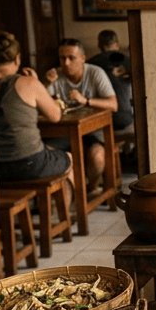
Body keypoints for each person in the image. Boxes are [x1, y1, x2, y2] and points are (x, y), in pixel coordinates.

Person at [0, 31, 70, 183]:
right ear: (17, 58)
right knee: (68, 158)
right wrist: (37, 84)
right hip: (29, 163)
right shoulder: (28, 83)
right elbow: (55, 116)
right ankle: (62, 207)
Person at [45, 38, 118, 194]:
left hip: (93, 129)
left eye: (72, 58)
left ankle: (90, 188)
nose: (66, 63)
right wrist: (45, 84)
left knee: (97, 156)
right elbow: (40, 105)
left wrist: (86, 101)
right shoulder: (54, 75)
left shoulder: (95, 72)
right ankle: (65, 194)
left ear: (83, 59)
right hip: (65, 131)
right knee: (46, 151)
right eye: (62, 58)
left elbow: (113, 105)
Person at [87, 29, 135, 136]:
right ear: (117, 44)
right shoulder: (131, 62)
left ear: (99, 45)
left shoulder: (90, 65)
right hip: (125, 117)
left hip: (101, 120)